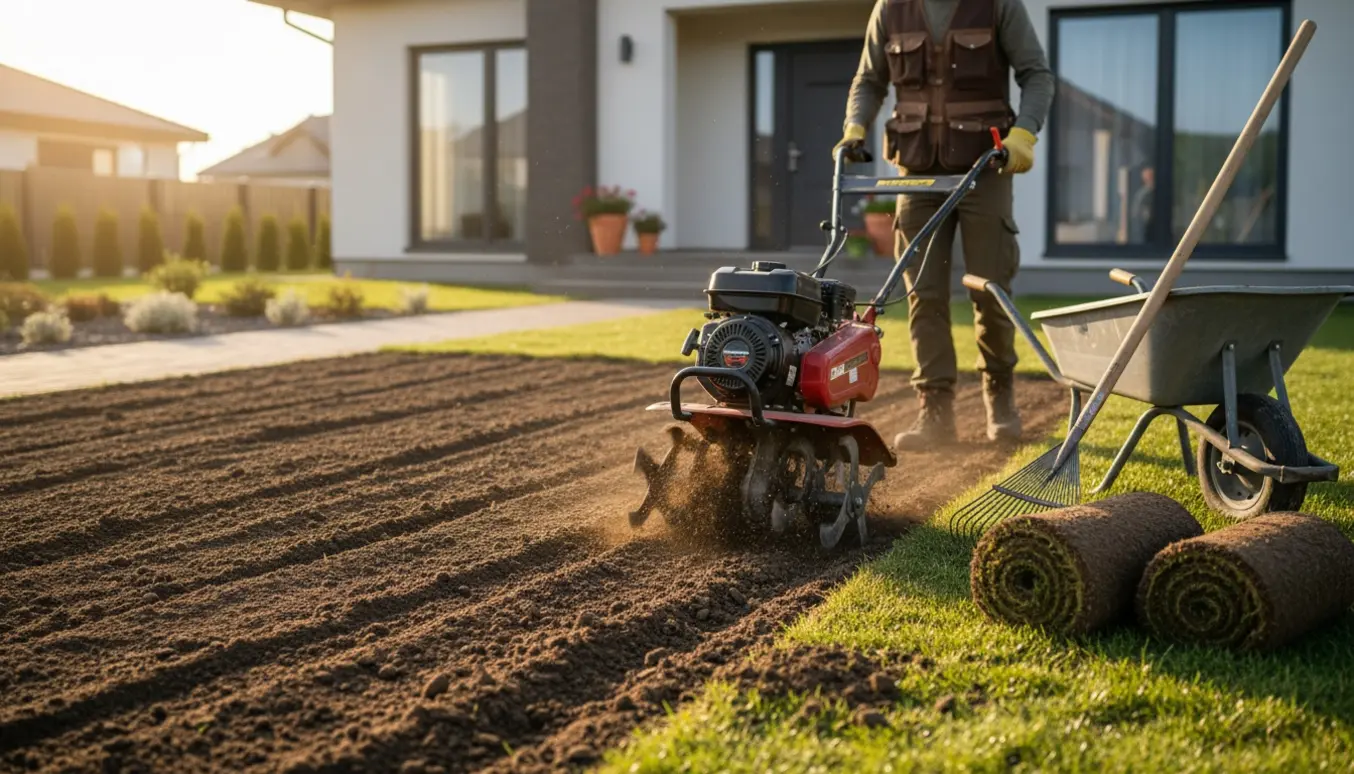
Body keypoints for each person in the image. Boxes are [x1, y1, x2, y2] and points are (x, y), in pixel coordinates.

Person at [835, 0, 1054, 449]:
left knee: (990, 289)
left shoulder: (998, 5)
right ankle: (935, 410)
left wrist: (1024, 133)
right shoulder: (891, 8)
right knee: (923, 294)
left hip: (985, 168)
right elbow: (870, 80)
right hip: (915, 171)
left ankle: (1000, 395)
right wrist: (855, 127)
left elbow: (1036, 75)